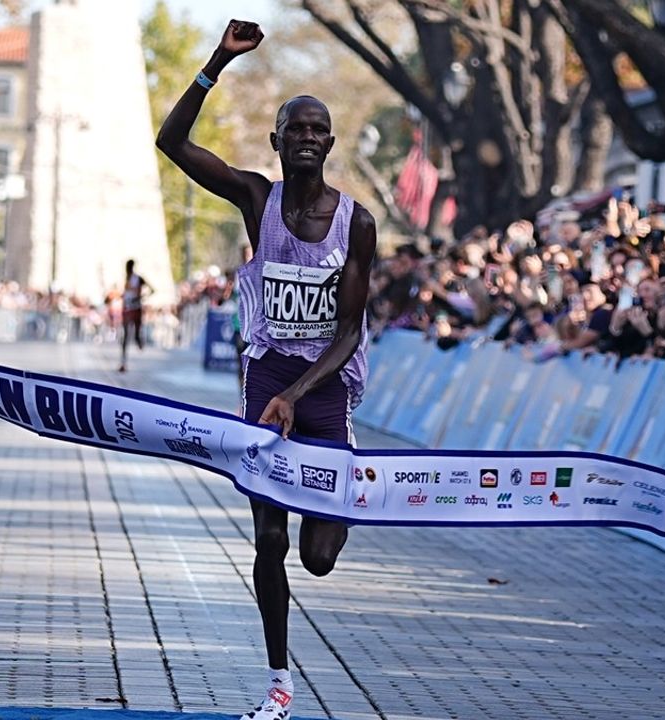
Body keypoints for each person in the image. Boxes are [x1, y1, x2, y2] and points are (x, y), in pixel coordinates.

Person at [155, 19, 377, 720]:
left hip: (326, 384)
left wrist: (301, 395)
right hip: (264, 373)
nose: (307, 138)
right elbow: (172, 144)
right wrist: (217, 60)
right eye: (295, 129)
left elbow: (348, 330)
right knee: (270, 538)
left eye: (319, 130)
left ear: (329, 145)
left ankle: (337, 500)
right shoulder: (257, 198)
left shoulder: (357, 224)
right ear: (278, 143)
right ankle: (279, 680)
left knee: (316, 555)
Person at [119, 259, 151, 372]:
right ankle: (123, 362)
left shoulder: (137, 278)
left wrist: (141, 297)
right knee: (125, 335)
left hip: (136, 307)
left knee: (135, 335)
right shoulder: (126, 278)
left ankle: (139, 342)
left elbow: (151, 289)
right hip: (127, 308)